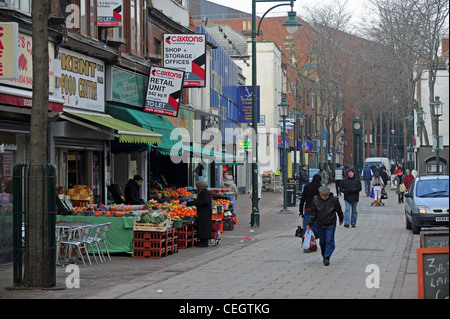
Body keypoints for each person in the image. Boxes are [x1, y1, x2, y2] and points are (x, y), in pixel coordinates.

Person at [307, 186, 344, 266]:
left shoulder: (334, 200)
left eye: (326, 195)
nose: (324, 197)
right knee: (322, 241)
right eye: (323, 195)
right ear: (320, 194)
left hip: (331, 223)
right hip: (320, 223)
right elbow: (313, 214)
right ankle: (324, 255)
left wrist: (341, 218)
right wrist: (309, 224)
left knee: (329, 240)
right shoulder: (315, 200)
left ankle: (327, 257)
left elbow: (339, 210)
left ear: (329, 194)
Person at [299, 174, 322, 244]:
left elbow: (302, 199)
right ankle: (313, 239)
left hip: (308, 208)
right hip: (317, 209)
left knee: (306, 225)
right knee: (316, 225)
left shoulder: (307, 187)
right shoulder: (320, 188)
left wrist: (301, 211)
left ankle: (305, 240)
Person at [188, 181, 212, 247]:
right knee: (202, 226)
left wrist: (197, 202)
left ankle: (204, 241)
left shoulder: (204, 192)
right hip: (204, 212)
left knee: (204, 226)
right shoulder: (205, 192)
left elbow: (205, 201)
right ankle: (202, 240)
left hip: (204, 213)